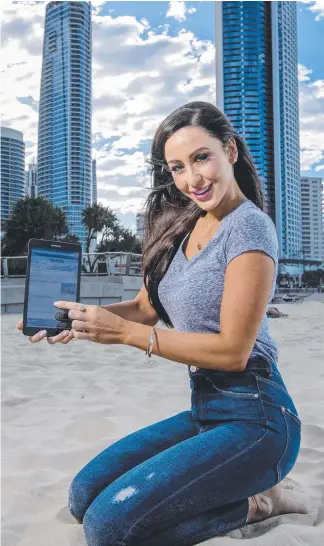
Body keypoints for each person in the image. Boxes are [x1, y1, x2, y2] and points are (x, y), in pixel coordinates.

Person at [17, 101, 308, 546]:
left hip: (258, 416)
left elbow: (233, 351)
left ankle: (258, 502)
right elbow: (145, 308)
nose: (192, 179)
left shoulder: (250, 228)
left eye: (201, 157)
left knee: (108, 528)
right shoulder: (186, 223)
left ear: (229, 151)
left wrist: (129, 337)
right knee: (83, 496)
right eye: (176, 167)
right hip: (206, 410)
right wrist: (79, 320)